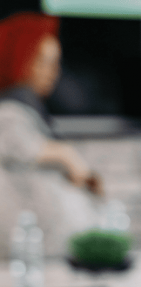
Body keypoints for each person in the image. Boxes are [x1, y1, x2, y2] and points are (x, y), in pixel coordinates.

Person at [0, 12, 102, 258]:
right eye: (43, 61)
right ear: (18, 58)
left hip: (49, 253)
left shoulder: (31, 113)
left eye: (56, 63)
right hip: (33, 257)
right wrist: (68, 157)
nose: (53, 72)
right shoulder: (9, 115)